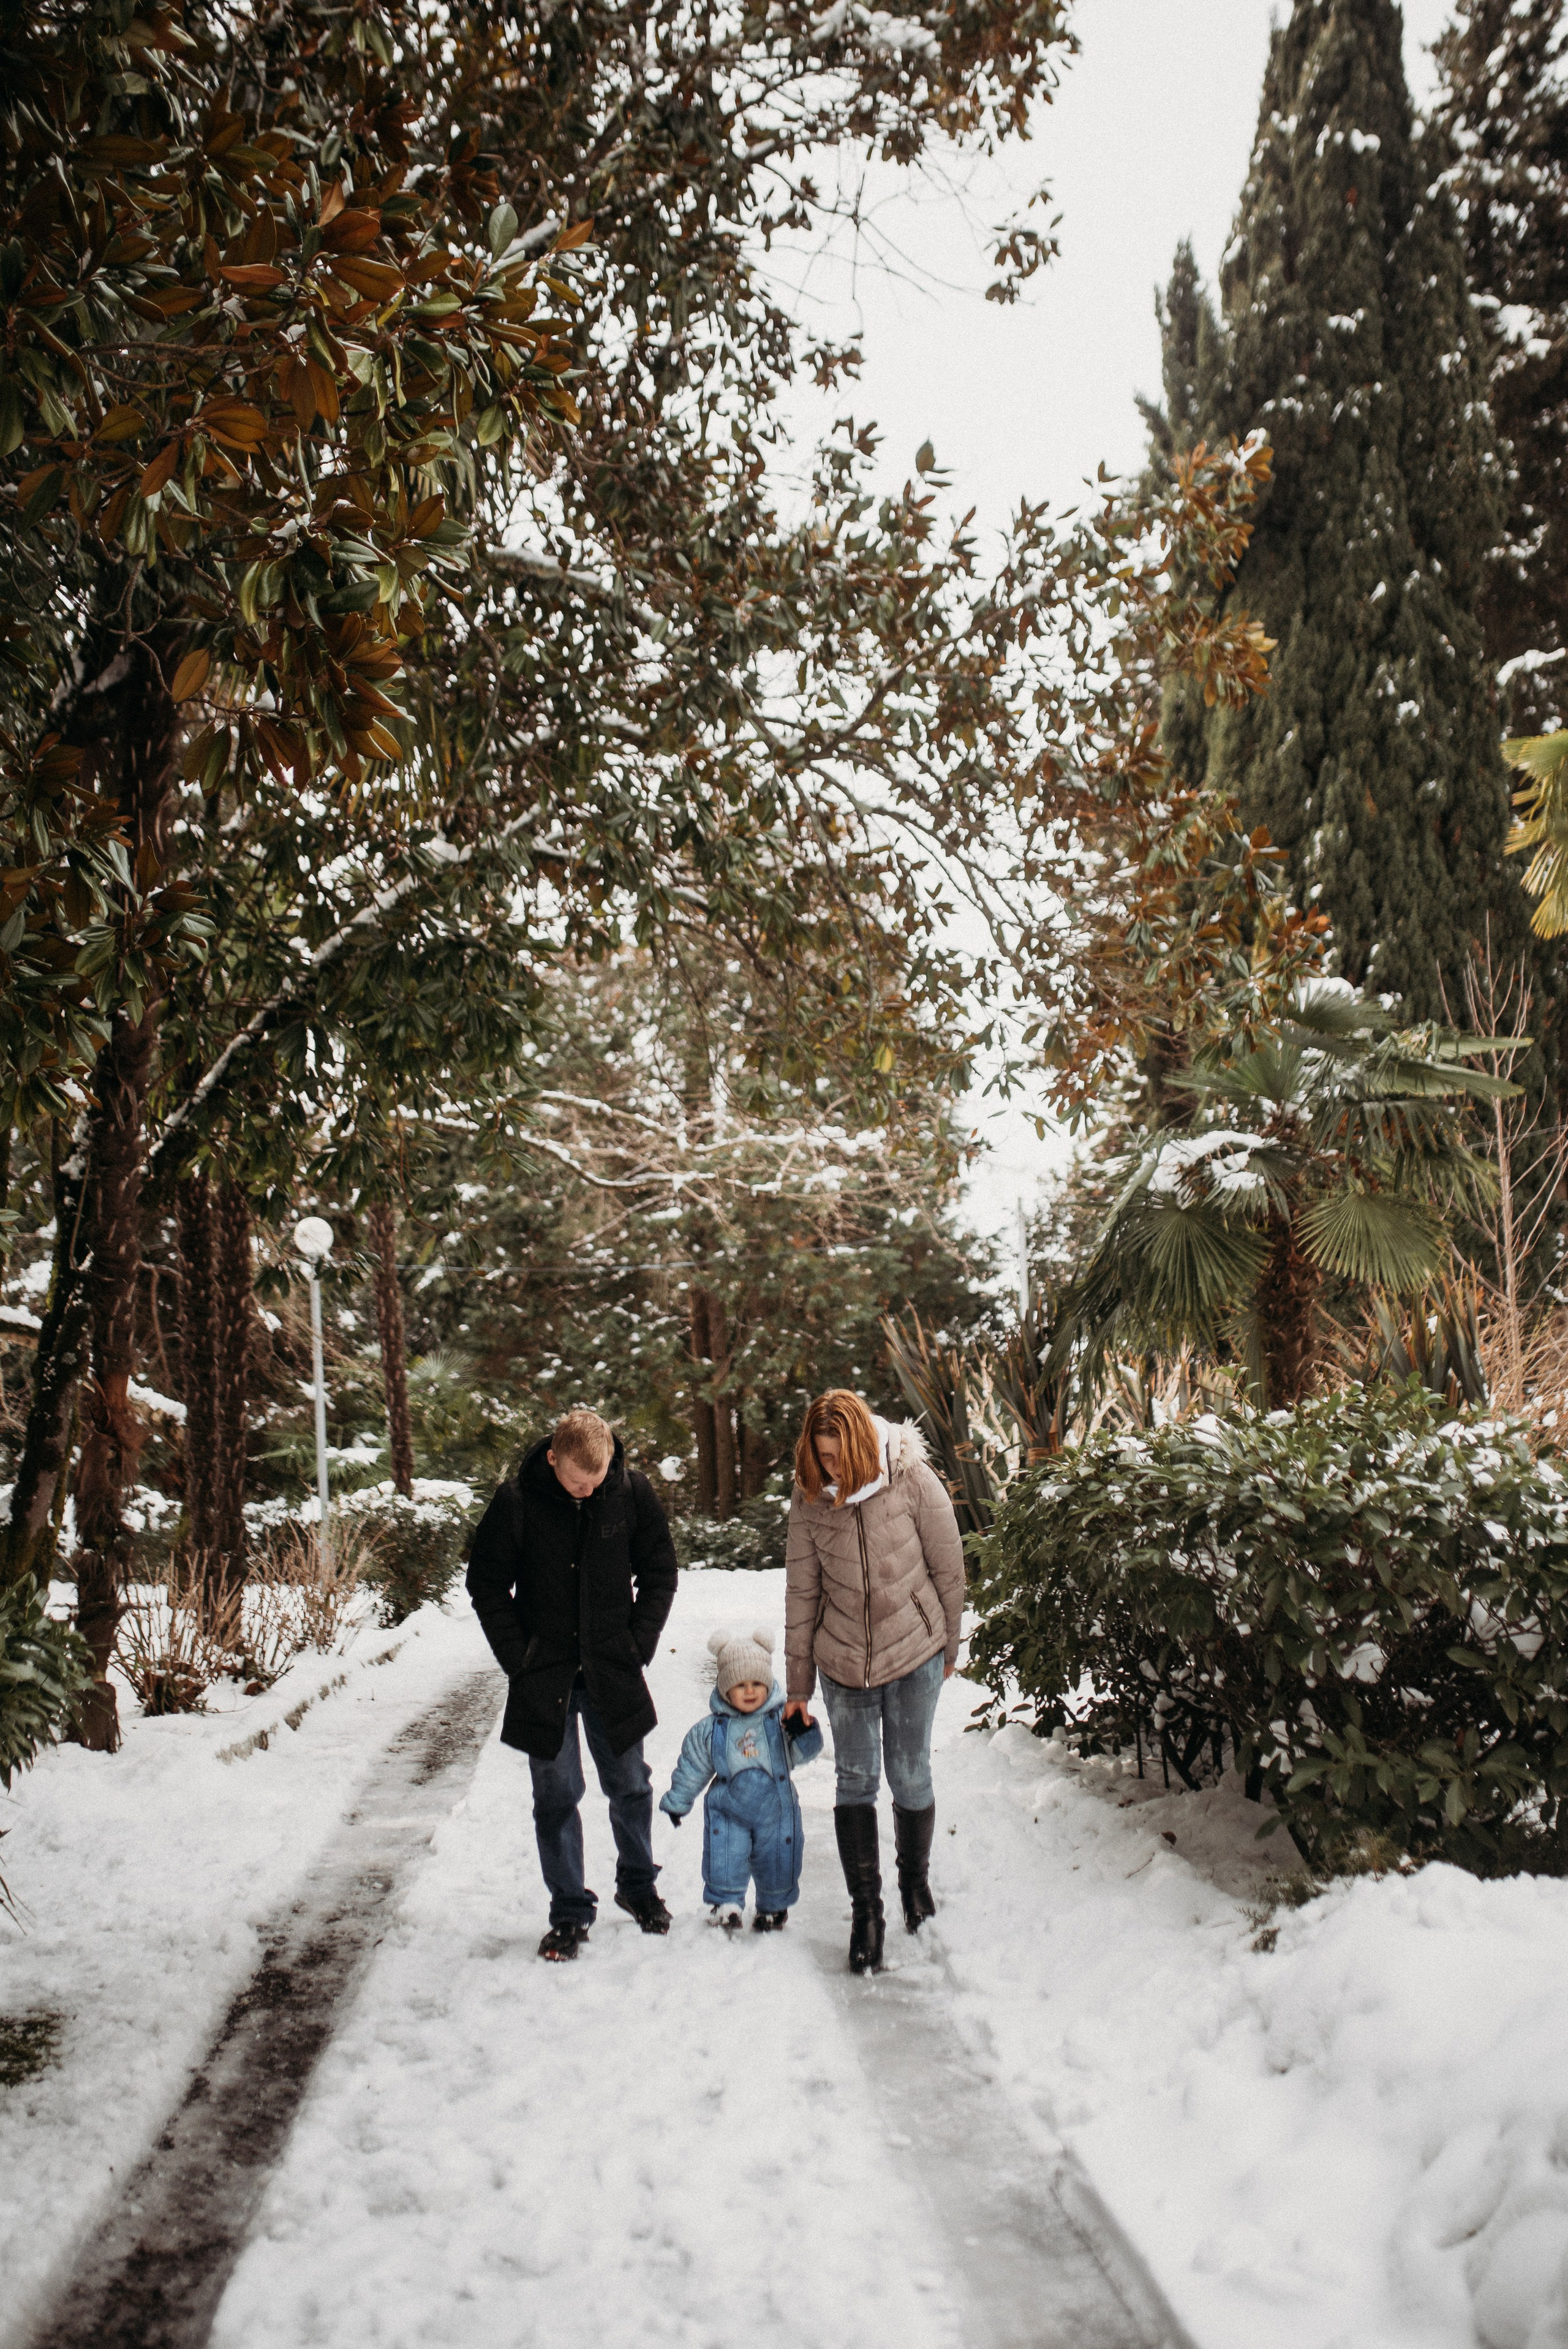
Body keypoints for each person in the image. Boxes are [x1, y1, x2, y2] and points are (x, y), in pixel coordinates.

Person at [466, 1407, 679, 1962]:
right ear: (553, 1458)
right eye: (577, 1481)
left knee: (631, 1786)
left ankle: (639, 1887)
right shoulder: (517, 1502)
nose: (588, 1490)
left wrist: (638, 1643)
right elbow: (486, 1584)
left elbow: (660, 1571)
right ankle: (568, 1911)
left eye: (597, 1478)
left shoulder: (630, 1492)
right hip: (546, 1676)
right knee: (557, 1797)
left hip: (613, 1669)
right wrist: (519, 1657)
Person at [783, 1389, 965, 1973]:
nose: (832, 1466)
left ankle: (915, 1883)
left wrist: (950, 1643)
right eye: (822, 1455)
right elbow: (802, 1592)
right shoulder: (810, 1498)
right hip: (843, 1661)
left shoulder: (912, 1479)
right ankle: (867, 1913)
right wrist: (797, 1687)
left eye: (840, 1455)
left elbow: (948, 1567)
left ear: (864, 1445)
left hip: (914, 1652)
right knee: (855, 1780)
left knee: (910, 1774)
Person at [659, 1627, 824, 1934]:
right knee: (726, 1856)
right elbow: (693, 1766)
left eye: (757, 1683)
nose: (750, 1691)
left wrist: (804, 1733)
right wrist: (678, 1801)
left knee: (778, 1857)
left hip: (776, 1809)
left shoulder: (781, 1721)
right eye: (740, 1685)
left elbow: (803, 1753)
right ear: (725, 1689)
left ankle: (773, 1908)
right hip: (728, 1810)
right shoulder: (712, 1729)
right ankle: (726, 1906)